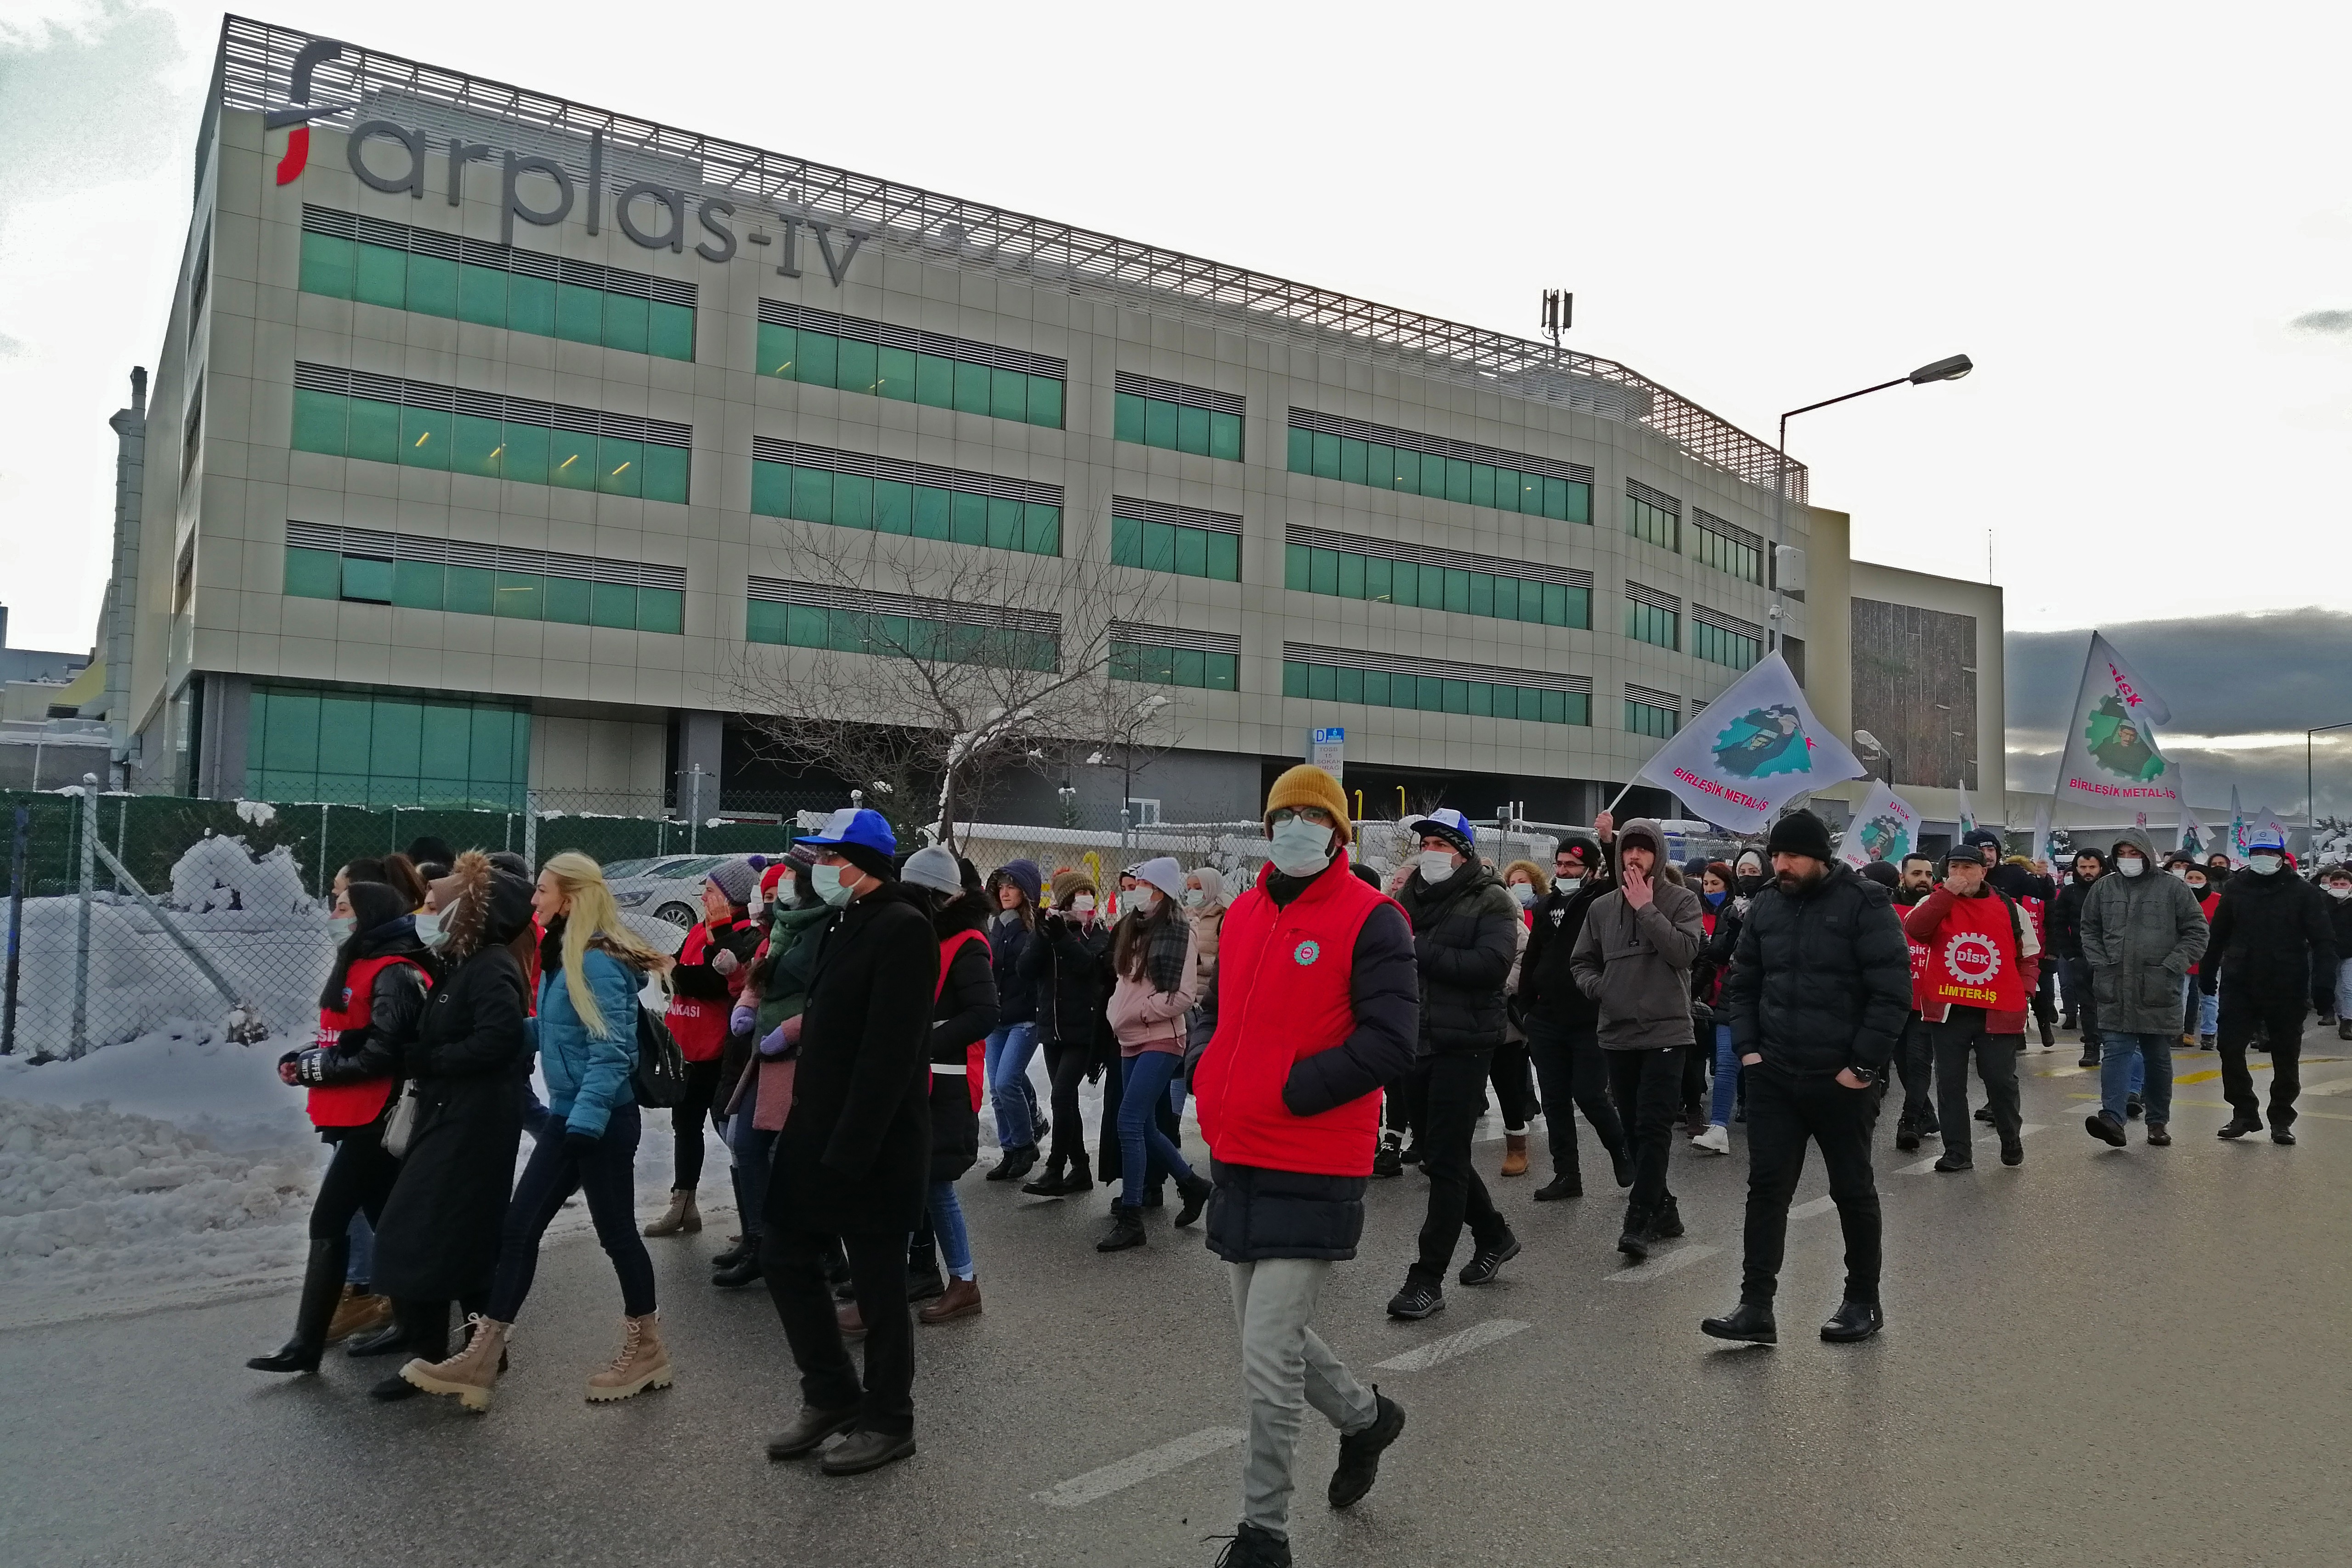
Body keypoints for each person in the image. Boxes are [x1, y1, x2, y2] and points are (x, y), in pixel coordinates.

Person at [1187, 766, 1416, 1568]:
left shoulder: (1372, 918)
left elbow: (1390, 1040)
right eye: (1280, 813)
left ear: (1337, 833)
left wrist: (1291, 1087)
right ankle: (1366, 1418)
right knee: (1266, 1334)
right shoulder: (1246, 912)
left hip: (1315, 1151)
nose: (1291, 826)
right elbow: (1216, 1011)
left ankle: (1263, 1532)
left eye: (1308, 816)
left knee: (1267, 1349)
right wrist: (1202, 1066)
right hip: (1239, 1146)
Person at [404, 852, 674, 1410]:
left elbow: (612, 1053)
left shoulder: (596, 962)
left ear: (570, 898)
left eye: (544, 891)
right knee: (518, 1229)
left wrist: (584, 1124)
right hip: (573, 1120)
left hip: (599, 1122)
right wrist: (503, 1037)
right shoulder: (564, 955)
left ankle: (646, 1348)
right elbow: (558, 1029)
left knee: (616, 1235)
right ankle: (482, 1356)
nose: (535, 901)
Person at [759, 807, 936, 1477]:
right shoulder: (843, 920)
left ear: (861, 866)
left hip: (872, 1144)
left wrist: (852, 1150)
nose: (820, 868)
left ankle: (891, 1418)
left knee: (879, 1286)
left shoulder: (903, 927)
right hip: (815, 1129)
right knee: (783, 1254)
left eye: (831, 858)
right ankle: (831, 1391)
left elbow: (890, 1054)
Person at [1703, 810, 1910, 1346]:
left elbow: (1891, 994)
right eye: (1775, 855)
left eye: (1791, 856)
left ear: (1820, 857)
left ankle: (1863, 1301)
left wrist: (1861, 1067)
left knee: (1851, 1189)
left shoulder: (1865, 903)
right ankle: (1755, 1307)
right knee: (1766, 1190)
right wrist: (1749, 1052)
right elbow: (1743, 984)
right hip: (1774, 1076)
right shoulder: (1767, 904)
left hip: (1841, 1080)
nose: (1781, 865)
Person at [246, 880, 433, 1376]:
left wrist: (316, 1069)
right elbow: (346, 1037)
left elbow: (384, 1053)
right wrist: (305, 1057)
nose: (334, 913)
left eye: (343, 906)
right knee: (387, 1223)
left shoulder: (395, 972)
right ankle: (412, 1323)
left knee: (327, 1223)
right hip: (353, 1116)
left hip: (377, 1120)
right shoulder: (360, 964)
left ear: (369, 914)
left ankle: (305, 1344)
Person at [371, 852, 535, 1404]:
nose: (423, 911)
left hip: (473, 1120)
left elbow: (499, 1039)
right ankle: (474, 1351)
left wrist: (433, 1059)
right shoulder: (464, 961)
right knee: (459, 1235)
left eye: (433, 904)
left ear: (463, 912)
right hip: (457, 1115)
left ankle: (434, 1355)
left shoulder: (489, 966)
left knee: (422, 1229)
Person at [1386, 807, 1523, 1320]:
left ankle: (1426, 1280)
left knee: (1444, 1159)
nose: (1430, 853)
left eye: (1440, 845)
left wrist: (1417, 950)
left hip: (1465, 1043)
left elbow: (1490, 968)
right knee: (1438, 1156)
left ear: (1462, 852)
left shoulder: (1491, 899)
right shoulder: (1408, 897)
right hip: (1415, 1039)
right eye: (1423, 844)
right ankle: (1493, 1234)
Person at [1569, 818, 1706, 1260]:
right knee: (1631, 1130)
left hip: (1668, 1030)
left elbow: (1685, 953)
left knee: (1653, 1128)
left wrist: (1647, 908)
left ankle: (1638, 1219)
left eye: (1645, 850)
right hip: (1617, 1032)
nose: (1634, 856)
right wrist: (1601, 988)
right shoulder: (1602, 908)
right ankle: (1665, 1208)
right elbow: (1581, 962)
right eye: (1629, 849)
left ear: (1658, 856)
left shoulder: (1681, 899)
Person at [712, 854, 831, 1289]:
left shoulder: (827, 929)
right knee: (746, 1145)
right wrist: (746, 1007)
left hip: (797, 1059)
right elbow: (760, 977)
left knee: (789, 1157)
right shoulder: (783, 926)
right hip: (763, 1055)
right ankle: (762, 1243)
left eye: (792, 879)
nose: (782, 890)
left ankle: (802, 1249)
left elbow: (831, 999)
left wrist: (791, 1029)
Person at [899, 846, 997, 1323]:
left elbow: (984, 1014)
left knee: (936, 1184)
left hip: (948, 1083)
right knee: (914, 1182)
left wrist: (928, 1040)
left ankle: (963, 1280)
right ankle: (920, 1274)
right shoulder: (929, 937)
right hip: (923, 1078)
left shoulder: (968, 943)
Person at [1098, 855, 1212, 1251]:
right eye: (1131, 887)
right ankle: (1192, 1184)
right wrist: (1121, 1013)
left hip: (1162, 1037)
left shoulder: (1181, 932)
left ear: (1161, 890)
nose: (1134, 893)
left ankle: (1132, 1218)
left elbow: (1182, 996)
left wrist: (1143, 1013)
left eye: (1141, 886)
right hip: (1129, 1035)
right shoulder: (1132, 927)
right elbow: (1124, 983)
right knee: (1143, 1126)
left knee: (1128, 1121)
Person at [1903, 846, 2041, 1169]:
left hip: (1997, 1010)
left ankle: (2010, 1137)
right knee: (1950, 1084)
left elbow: (2029, 956)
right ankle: (1958, 1152)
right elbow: (1916, 929)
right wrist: (1946, 895)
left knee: (2000, 1081)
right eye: (1954, 867)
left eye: (1968, 867)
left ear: (1983, 871)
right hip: (1949, 1010)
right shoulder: (1935, 902)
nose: (1961, 873)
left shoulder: (2010, 908)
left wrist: (2024, 992)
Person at [646, 859, 763, 1239]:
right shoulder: (699, 929)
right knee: (686, 1127)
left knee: (729, 1130)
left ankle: (753, 1219)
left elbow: (713, 981)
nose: (703, 896)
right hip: (687, 1044)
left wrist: (676, 972)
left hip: (718, 1050)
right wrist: (676, 973)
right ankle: (684, 1204)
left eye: (711, 891)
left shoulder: (741, 934)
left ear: (731, 899)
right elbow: (678, 973)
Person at [2203, 827, 2337, 1145]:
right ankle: (2244, 1112)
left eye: (2270, 853)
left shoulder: (2302, 892)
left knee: (2285, 1054)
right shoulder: (2237, 888)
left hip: (2286, 982)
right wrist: (2209, 970)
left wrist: (2324, 986)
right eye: (2257, 853)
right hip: (2241, 980)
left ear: (2281, 857)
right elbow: (2219, 932)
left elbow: (2323, 940)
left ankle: (2281, 1117)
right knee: (2230, 1047)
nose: (2264, 859)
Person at [2076, 827, 2207, 1150]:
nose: (2129, 859)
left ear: (2147, 855)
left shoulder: (2173, 889)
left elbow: (2197, 931)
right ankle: (2112, 1118)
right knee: (2116, 1052)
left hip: (2157, 987)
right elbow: (2089, 928)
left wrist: (2172, 966)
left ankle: (2158, 1121)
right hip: (2115, 985)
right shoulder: (2104, 889)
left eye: (2135, 853)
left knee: (2157, 1056)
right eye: (2123, 853)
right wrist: (2100, 961)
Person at [1514, 835, 1630, 1198]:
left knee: (1590, 1095)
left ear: (1590, 870)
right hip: (1547, 1018)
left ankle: (1623, 1151)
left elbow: (1622, 879)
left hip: (1588, 1017)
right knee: (1554, 1099)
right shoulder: (1548, 904)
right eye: (1560, 864)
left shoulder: (1601, 900)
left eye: (1571, 866)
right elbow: (1534, 954)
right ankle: (1567, 1174)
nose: (1563, 871)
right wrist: (1526, 1005)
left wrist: (1609, 841)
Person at [1019, 869, 1115, 1196]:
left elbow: (1091, 968)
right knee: (1067, 1101)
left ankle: (1055, 1169)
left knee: (1060, 1096)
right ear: (1064, 899)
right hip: (1052, 1027)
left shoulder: (1097, 932)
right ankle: (1081, 1169)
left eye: (1089, 894)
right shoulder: (1051, 928)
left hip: (1083, 1030)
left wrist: (1061, 938)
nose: (1084, 901)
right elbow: (1025, 970)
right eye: (1076, 896)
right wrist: (1042, 939)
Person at [980, 859, 1048, 1181]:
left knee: (1007, 1080)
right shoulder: (995, 925)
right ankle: (1010, 1150)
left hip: (1025, 1018)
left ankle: (1025, 1144)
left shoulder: (1036, 928)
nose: (1005, 893)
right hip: (997, 1017)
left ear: (1026, 891)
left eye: (1012, 886)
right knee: (997, 1088)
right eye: (1001, 887)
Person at [1687, 857, 1746, 1156]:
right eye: (1706, 884)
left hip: (1763, 998)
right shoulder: (1729, 913)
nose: (1708, 889)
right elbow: (1715, 954)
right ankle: (1718, 1126)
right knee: (1724, 1060)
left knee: (1756, 1066)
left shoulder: (1774, 907)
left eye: (1715, 884)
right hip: (1724, 995)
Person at [1491, 861, 1546, 1177]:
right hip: (1466, 1018)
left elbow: (1525, 959)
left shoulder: (1512, 922)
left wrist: (1501, 988)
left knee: (1508, 1085)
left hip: (1503, 1018)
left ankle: (1517, 1145)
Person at [1888, 853, 1942, 1152]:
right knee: (1903, 1062)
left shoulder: (1939, 907)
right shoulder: (1887, 909)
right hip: (1896, 997)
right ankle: (1928, 1115)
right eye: (1917, 874)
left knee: (1920, 1061)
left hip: (1929, 998)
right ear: (1903, 877)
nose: (1923, 879)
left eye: (1928, 874)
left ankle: (1909, 1122)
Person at [1989, 853, 2060, 1049]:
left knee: (2043, 994)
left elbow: (2053, 923)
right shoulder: (2014, 901)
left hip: (2041, 952)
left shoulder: (2041, 897)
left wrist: (2052, 950)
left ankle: (2045, 1025)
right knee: (2018, 994)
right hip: (2018, 950)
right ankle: (2019, 1032)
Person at [2051, 849, 2108, 1066]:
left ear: (2101, 867)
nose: (2087, 872)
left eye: (2092, 867)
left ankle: (2111, 1048)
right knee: (2087, 1004)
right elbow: (2059, 924)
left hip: (2111, 958)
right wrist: (2071, 955)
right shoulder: (2069, 892)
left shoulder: (2111, 891)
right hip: (2081, 957)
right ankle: (2091, 1048)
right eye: (2083, 867)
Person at [2319, 864, 2352, 1042]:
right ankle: (2343, 1015)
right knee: (2336, 988)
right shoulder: (2323, 903)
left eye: (2343, 884)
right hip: (2330, 952)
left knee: (2349, 987)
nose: (2340, 887)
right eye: (2336, 884)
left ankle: (2348, 1021)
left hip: (2350, 952)